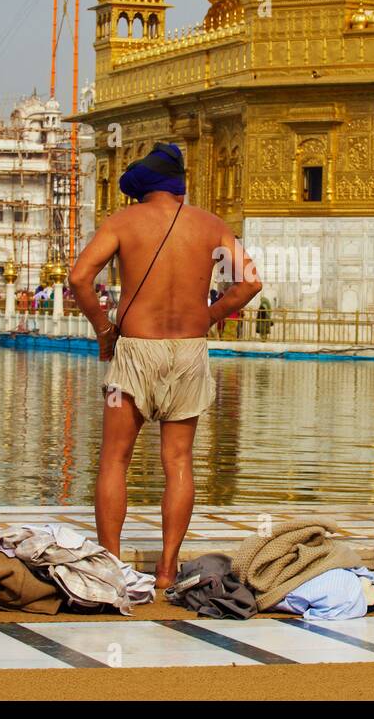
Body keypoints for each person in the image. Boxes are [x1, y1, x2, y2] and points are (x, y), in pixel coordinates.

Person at [69, 143, 261, 587]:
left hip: (134, 352)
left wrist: (103, 329)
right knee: (178, 461)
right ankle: (167, 568)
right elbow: (249, 282)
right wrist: (210, 316)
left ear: (142, 190)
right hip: (190, 352)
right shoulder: (211, 225)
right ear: (179, 186)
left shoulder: (123, 222)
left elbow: (80, 278)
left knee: (115, 460)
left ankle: (112, 566)